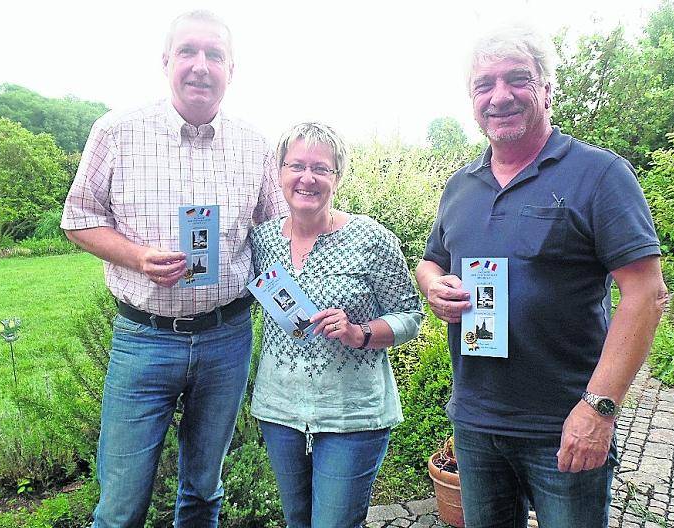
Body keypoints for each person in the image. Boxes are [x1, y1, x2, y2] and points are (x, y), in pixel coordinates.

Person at [415, 25, 669, 528]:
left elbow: (646, 293)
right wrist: (432, 287)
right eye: (484, 85)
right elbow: (432, 260)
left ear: (548, 90)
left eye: (517, 79)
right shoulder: (460, 186)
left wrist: (598, 410)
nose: (499, 95)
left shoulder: (600, 174)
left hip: (565, 422)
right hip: (475, 422)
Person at [60, 10, 286, 528]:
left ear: (233, 68)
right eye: (188, 52)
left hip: (227, 337)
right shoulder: (117, 131)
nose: (201, 66)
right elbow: (78, 220)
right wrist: (137, 258)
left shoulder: (255, 145)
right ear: (166, 62)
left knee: (204, 493)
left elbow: (276, 234)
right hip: (144, 338)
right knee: (120, 505)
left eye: (214, 55)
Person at [250, 122, 424, 527]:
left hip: (353, 416)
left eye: (320, 168)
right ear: (279, 173)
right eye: (296, 165)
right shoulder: (261, 241)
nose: (306, 178)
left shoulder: (371, 239)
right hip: (280, 412)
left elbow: (411, 316)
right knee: (297, 520)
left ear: (337, 177)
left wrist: (359, 332)